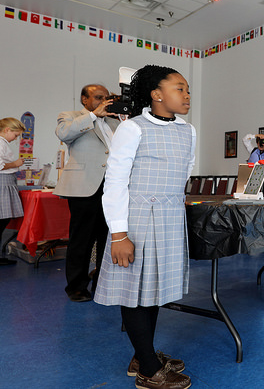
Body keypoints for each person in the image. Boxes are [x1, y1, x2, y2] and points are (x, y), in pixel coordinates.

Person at [94, 65, 195, 389]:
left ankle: (142, 353)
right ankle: (149, 370)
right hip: (137, 217)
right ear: (156, 94)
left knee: (152, 289)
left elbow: (184, 173)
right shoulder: (133, 128)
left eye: (188, 89)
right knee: (134, 291)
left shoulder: (188, 130)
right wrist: (119, 234)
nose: (187, 94)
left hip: (168, 217)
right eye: (179, 88)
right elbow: (116, 181)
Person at [54, 85, 120, 301]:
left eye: (107, 98)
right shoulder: (71, 117)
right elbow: (63, 134)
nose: (104, 101)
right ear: (84, 99)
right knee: (81, 240)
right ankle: (76, 286)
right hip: (85, 188)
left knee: (107, 238)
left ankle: (102, 278)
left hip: (112, 188)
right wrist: (93, 115)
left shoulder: (115, 122)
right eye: (99, 97)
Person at [0, 117, 26, 266]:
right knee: (1, 220)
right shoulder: (0, 143)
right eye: (16, 135)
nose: (16, 139)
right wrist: (15, 163)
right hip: (3, 182)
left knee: (3, 220)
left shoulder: (3, 143)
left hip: (7, 182)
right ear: (7, 130)